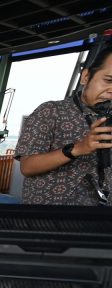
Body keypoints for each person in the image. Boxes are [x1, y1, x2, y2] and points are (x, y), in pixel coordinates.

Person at [15, 46, 112, 206]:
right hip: (49, 218)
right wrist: (79, 148)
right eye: (108, 80)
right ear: (86, 76)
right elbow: (27, 166)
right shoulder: (49, 111)